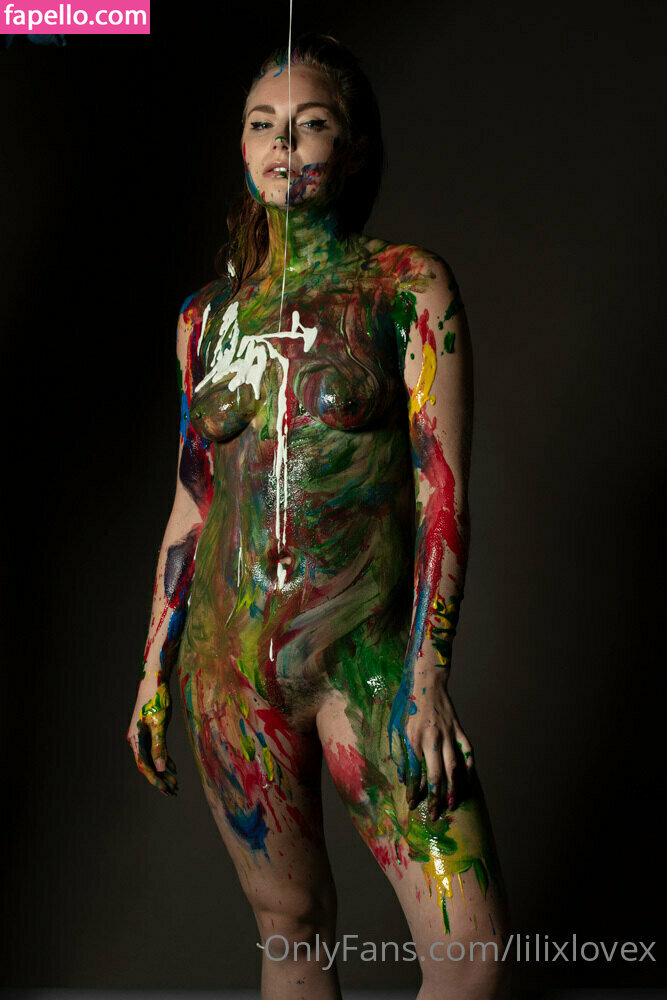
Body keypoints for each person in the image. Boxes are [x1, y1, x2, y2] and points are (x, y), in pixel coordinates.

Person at [127, 32, 511, 1000]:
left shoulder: (406, 285)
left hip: (368, 663)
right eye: (263, 124)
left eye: (311, 123)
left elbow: (441, 490)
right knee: (289, 932)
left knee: (471, 955)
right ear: (241, 145)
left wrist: (427, 671)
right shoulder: (205, 319)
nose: (284, 143)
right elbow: (192, 501)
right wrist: (152, 671)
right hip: (229, 669)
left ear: (355, 145)